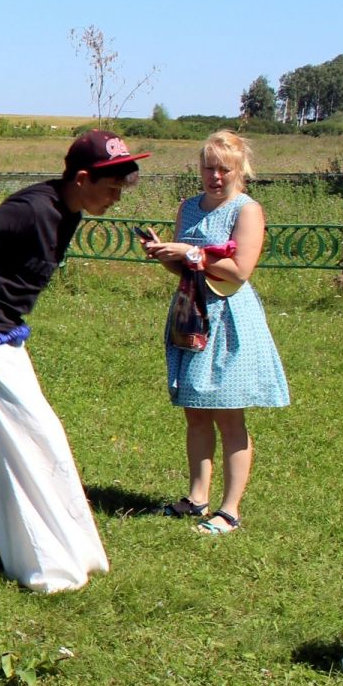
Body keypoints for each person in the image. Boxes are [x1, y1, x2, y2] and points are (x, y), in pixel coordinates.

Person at [0, 129, 147, 594]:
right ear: (83, 178)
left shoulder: (70, 210)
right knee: (20, 446)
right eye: (110, 189)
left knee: (44, 438)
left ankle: (75, 553)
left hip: (5, 332)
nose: (115, 199)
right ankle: (46, 569)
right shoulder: (32, 210)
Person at [140, 130, 290, 534]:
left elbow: (240, 270)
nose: (215, 176)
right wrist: (164, 254)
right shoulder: (188, 207)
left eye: (224, 168)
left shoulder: (247, 210)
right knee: (196, 413)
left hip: (228, 317)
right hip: (192, 312)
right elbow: (184, 267)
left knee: (229, 415)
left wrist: (190, 253)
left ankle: (230, 509)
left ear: (239, 170)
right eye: (209, 167)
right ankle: (196, 498)